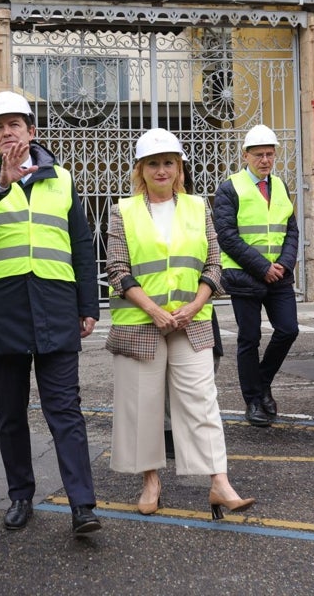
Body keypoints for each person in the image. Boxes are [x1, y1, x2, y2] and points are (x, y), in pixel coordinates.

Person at [0, 90, 101, 537]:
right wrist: (1, 181)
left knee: (65, 409)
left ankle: (82, 505)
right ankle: (20, 495)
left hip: (55, 305)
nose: (7, 133)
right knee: (10, 412)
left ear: (32, 131)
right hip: (4, 308)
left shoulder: (63, 178)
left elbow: (81, 244)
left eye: (15, 125)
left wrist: (88, 305)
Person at [105, 128, 254, 520]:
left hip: (192, 322)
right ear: (140, 169)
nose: (161, 169)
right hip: (141, 323)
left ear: (179, 167)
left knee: (201, 403)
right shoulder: (123, 211)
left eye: (168, 162)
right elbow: (117, 270)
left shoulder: (197, 207)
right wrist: (154, 310)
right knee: (143, 405)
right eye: (153, 163)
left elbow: (214, 265)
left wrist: (195, 304)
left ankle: (219, 483)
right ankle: (151, 481)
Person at [214, 124, 300, 428]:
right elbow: (227, 236)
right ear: (246, 155)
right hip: (245, 276)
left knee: (288, 329)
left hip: (279, 277)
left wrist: (285, 264)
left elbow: (291, 230)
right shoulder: (230, 188)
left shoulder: (280, 186)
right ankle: (253, 401)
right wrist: (262, 267)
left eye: (269, 154)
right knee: (249, 339)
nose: (265, 160)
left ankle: (262, 383)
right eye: (259, 155)